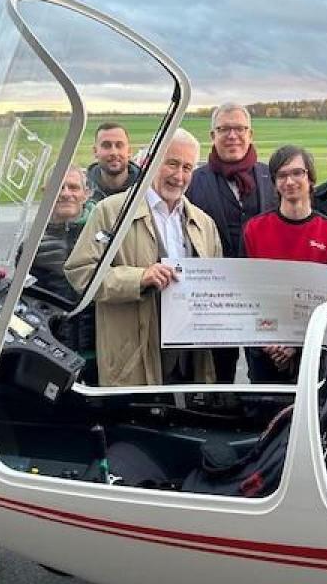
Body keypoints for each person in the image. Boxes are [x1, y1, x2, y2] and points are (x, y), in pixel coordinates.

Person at [65, 128, 221, 388]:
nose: (179, 176)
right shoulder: (111, 212)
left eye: (187, 167)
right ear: (149, 162)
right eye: (172, 163)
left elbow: (216, 286)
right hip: (133, 359)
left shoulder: (204, 223)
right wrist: (138, 278)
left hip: (189, 360)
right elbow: (81, 272)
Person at [186, 103, 275, 383]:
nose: (232, 135)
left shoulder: (271, 178)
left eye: (239, 128)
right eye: (224, 129)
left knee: (265, 376)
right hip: (214, 299)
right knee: (217, 375)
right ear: (212, 135)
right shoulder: (193, 181)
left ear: (251, 134)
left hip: (262, 296)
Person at [242, 145, 327, 382]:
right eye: (282, 175)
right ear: (275, 182)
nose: (289, 181)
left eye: (297, 173)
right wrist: (269, 343)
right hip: (264, 349)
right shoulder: (254, 229)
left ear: (310, 178)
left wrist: (296, 346)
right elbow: (246, 291)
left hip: (312, 350)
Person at [28, 165, 98, 384]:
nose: (66, 193)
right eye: (59, 187)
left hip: (99, 351)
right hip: (53, 353)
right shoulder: (31, 244)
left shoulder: (104, 234)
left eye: (73, 187)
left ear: (86, 193)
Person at [86, 123, 141, 203]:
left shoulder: (145, 187)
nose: (114, 152)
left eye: (119, 145)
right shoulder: (81, 190)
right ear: (95, 151)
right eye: (106, 146)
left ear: (129, 151)